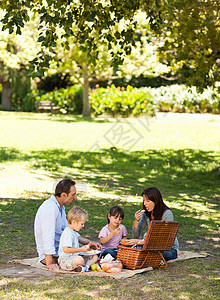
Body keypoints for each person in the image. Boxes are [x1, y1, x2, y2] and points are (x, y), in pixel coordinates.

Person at [34, 178, 100, 270]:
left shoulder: (61, 207)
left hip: (63, 251)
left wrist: (89, 243)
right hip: (54, 255)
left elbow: (69, 230)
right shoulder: (50, 208)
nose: (75, 197)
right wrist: (49, 263)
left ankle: (82, 265)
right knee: (82, 259)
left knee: (94, 254)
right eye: (73, 194)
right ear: (64, 195)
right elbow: (47, 236)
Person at [132, 187, 179, 261]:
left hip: (168, 250)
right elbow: (136, 235)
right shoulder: (146, 214)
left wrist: (145, 242)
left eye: (148, 201)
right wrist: (136, 221)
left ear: (156, 201)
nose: (145, 203)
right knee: (132, 246)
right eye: (144, 200)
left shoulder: (167, 214)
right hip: (151, 247)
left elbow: (167, 238)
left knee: (141, 250)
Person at [58, 206, 100, 272]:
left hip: (75, 257)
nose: (83, 226)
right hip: (65, 260)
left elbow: (83, 240)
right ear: (74, 222)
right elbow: (66, 249)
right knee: (79, 259)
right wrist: (81, 249)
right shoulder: (68, 233)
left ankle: (85, 267)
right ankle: (81, 266)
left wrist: (92, 243)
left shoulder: (73, 231)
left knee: (95, 257)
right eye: (82, 224)